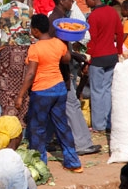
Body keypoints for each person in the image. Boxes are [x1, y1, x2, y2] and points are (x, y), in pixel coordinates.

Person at [16, 14, 82, 172]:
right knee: (62, 126)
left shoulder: (35, 48)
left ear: (36, 31)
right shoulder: (58, 43)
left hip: (42, 92)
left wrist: (20, 95)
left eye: (31, 29)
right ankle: (73, 162)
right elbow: (66, 59)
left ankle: (39, 165)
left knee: (37, 128)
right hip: (59, 90)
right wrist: (64, 42)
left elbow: (31, 74)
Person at [48, 0, 99, 156]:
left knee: (58, 107)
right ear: (62, 1)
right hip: (60, 71)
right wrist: (72, 57)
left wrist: (76, 55)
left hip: (59, 70)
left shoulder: (60, 18)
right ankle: (82, 144)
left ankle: (53, 140)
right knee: (72, 105)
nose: (72, 2)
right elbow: (59, 50)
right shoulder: (57, 21)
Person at [84, 0, 123, 132]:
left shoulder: (93, 16)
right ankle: (108, 124)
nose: (86, 2)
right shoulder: (113, 12)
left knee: (96, 91)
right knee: (107, 90)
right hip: (112, 56)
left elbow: (91, 40)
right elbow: (120, 32)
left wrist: (88, 60)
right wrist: (119, 51)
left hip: (97, 58)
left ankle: (98, 125)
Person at [0, 0, 33, 120]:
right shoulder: (29, 10)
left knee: (6, 87)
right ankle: (22, 121)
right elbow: (33, 36)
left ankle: (6, 119)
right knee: (24, 86)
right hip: (25, 54)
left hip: (5, 54)